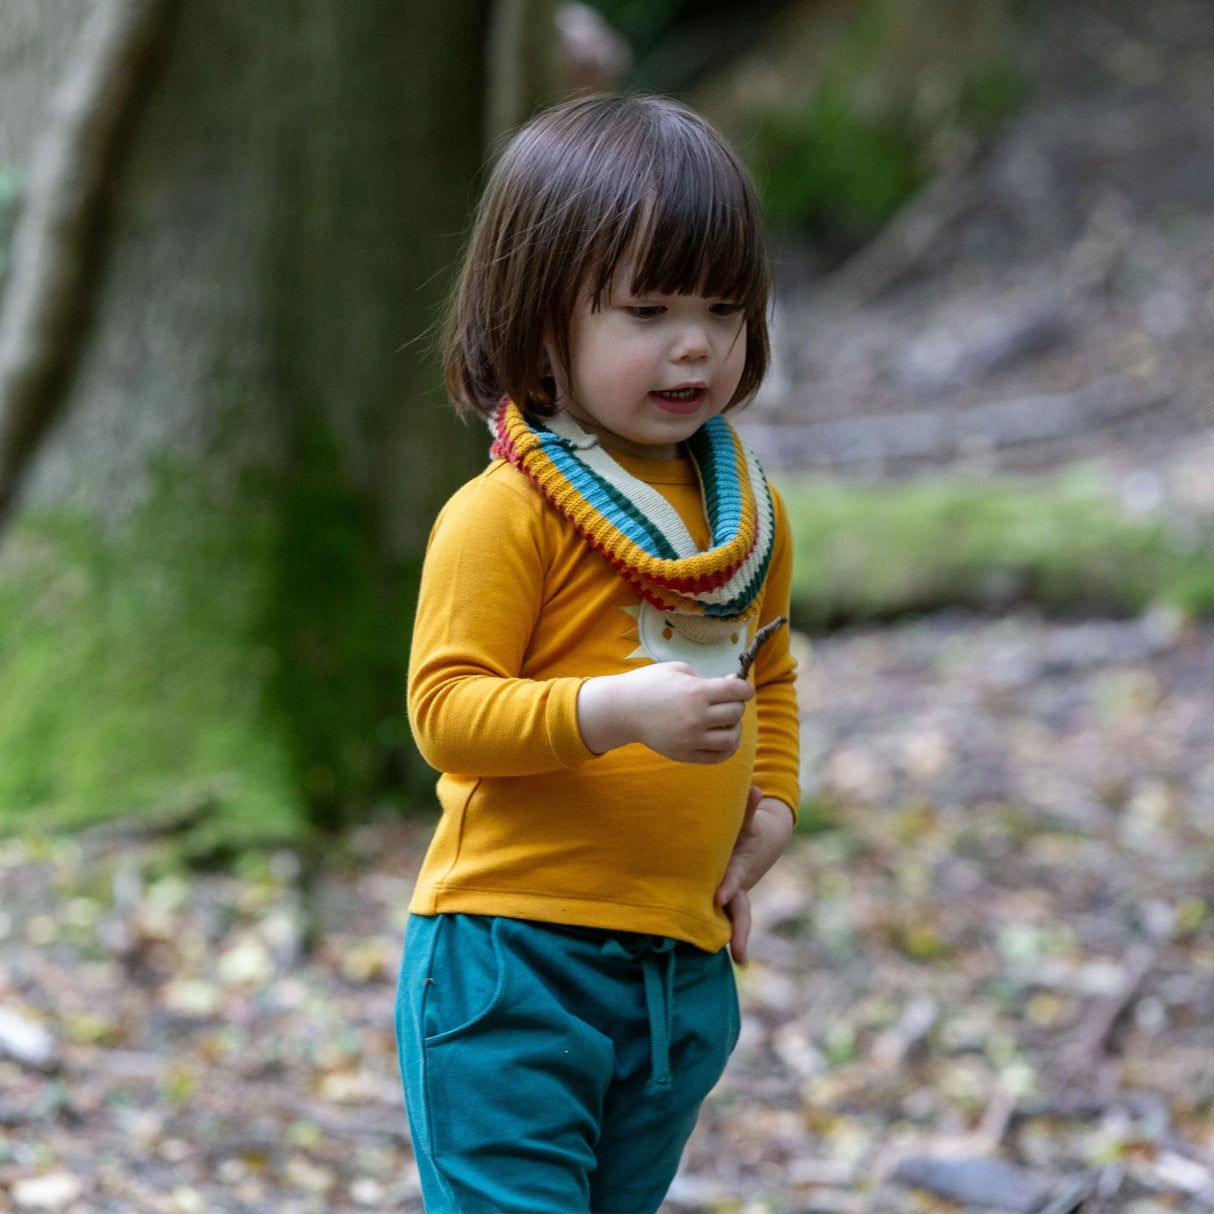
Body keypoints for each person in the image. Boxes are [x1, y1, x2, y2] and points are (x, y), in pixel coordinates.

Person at [395, 92, 800, 1214]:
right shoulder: (505, 513)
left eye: (724, 308)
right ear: (537, 325)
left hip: (677, 971)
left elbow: (766, 667)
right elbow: (447, 710)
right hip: (511, 960)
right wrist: (614, 713)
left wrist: (770, 800)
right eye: (647, 308)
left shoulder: (742, 515)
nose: (694, 344)